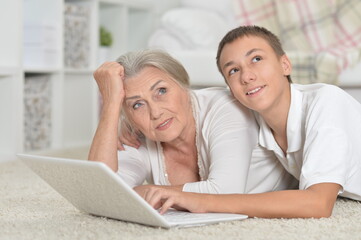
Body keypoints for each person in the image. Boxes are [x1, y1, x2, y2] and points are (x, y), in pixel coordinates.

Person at [142, 26, 361, 218]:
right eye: (233, 70)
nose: (246, 76)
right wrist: (128, 124)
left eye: (256, 59)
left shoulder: (326, 101)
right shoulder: (252, 118)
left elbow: (318, 204)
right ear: (231, 88)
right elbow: (199, 102)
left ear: (285, 64)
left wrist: (202, 201)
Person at [88, 49, 296, 198]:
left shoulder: (225, 106)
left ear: (185, 87)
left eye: (161, 91)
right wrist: (111, 105)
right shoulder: (137, 133)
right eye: (137, 105)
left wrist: (146, 193)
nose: (155, 112)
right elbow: (99, 192)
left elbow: (226, 192)